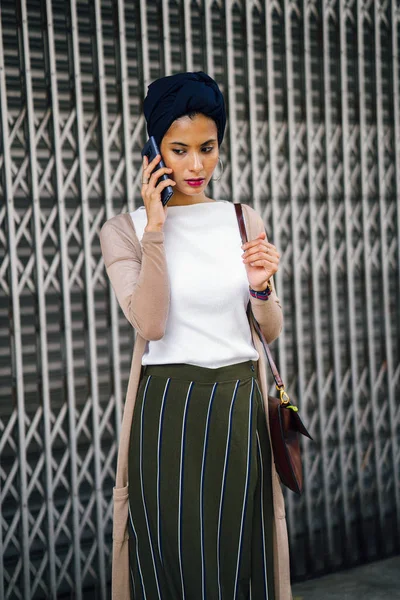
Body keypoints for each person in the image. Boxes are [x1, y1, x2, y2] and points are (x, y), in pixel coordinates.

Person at [99, 71, 292, 600]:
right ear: (153, 150)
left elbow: (269, 329)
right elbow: (153, 323)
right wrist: (157, 229)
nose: (195, 165)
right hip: (167, 413)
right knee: (170, 565)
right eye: (178, 149)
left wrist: (259, 288)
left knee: (237, 564)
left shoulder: (241, 219)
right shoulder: (124, 231)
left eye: (207, 148)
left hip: (237, 408)